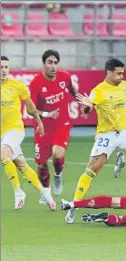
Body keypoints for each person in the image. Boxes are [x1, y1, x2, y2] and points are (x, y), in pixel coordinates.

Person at [65, 58, 126, 224]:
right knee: (92, 169)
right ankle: (74, 206)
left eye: (123, 73)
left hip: (124, 132)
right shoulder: (99, 90)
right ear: (108, 72)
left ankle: (122, 158)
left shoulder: (124, 85)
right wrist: (86, 106)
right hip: (106, 135)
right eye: (118, 73)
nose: (122, 76)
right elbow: (88, 108)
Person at [1, 56, 55, 210]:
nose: (4, 70)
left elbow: (30, 107)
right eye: (1, 67)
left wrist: (39, 122)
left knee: (4, 154)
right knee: (21, 164)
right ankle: (45, 194)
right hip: (3, 133)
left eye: (6, 67)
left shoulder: (17, 86)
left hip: (16, 129)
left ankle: (18, 193)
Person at [29, 49, 78, 198]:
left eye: (56, 63)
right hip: (42, 127)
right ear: (43, 64)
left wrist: (82, 101)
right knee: (42, 164)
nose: (53, 66)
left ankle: (58, 175)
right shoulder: (36, 83)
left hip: (61, 124)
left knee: (57, 154)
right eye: (50, 62)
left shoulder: (64, 77)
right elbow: (31, 109)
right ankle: (46, 192)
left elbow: (72, 90)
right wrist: (45, 114)